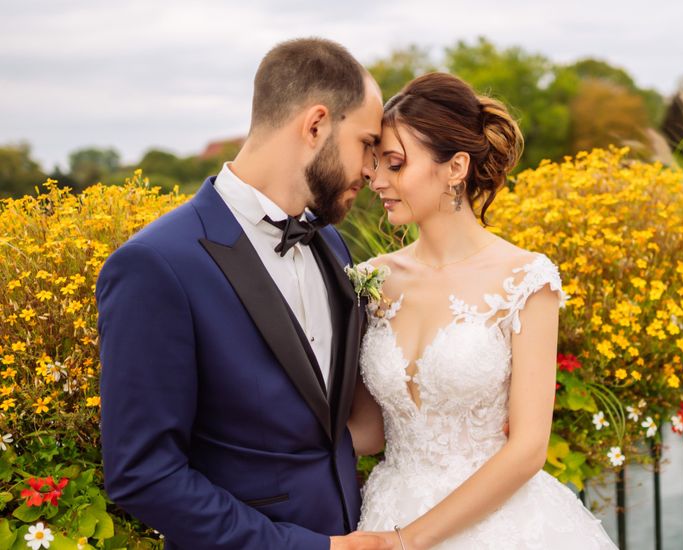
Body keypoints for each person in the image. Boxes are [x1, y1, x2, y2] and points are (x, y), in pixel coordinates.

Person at [96, 37, 392, 549]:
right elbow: (143, 472)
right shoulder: (156, 266)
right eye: (367, 143)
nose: (371, 168)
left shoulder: (333, 245)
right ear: (316, 124)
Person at [347, 72, 618, 549]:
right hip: (387, 510)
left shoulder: (526, 279)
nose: (378, 180)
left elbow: (529, 449)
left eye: (395, 164)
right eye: (376, 165)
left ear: (455, 167)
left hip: (498, 526)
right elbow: (369, 433)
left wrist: (405, 541)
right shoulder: (371, 281)